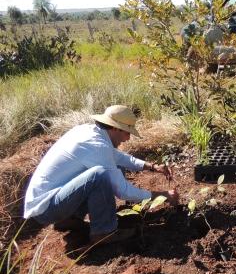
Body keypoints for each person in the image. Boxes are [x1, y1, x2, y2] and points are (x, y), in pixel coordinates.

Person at [23, 105, 179, 245]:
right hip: (46, 207)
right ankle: (104, 232)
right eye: (127, 132)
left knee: (112, 168)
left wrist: (152, 166)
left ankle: (69, 219)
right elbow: (124, 192)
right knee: (100, 175)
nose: (128, 138)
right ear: (115, 128)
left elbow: (117, 157)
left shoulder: (89, 132)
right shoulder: (97, 146)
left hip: (50, 198)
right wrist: (163, 195)